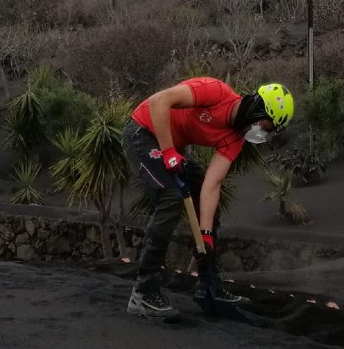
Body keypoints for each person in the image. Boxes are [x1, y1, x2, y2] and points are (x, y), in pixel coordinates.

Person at [124, 76, 294, 318]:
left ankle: (209, 284)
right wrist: (169, 151)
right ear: (257, 108)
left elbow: (212, 184)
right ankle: (143, 291)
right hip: (143, 132)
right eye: (264, 125)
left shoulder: (235, 140)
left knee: (204, 196)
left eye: (267, 131)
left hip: (172, 147)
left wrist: (205, 235)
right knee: (170, 197)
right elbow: (159, 101)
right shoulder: (215, 92)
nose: (260, 133)